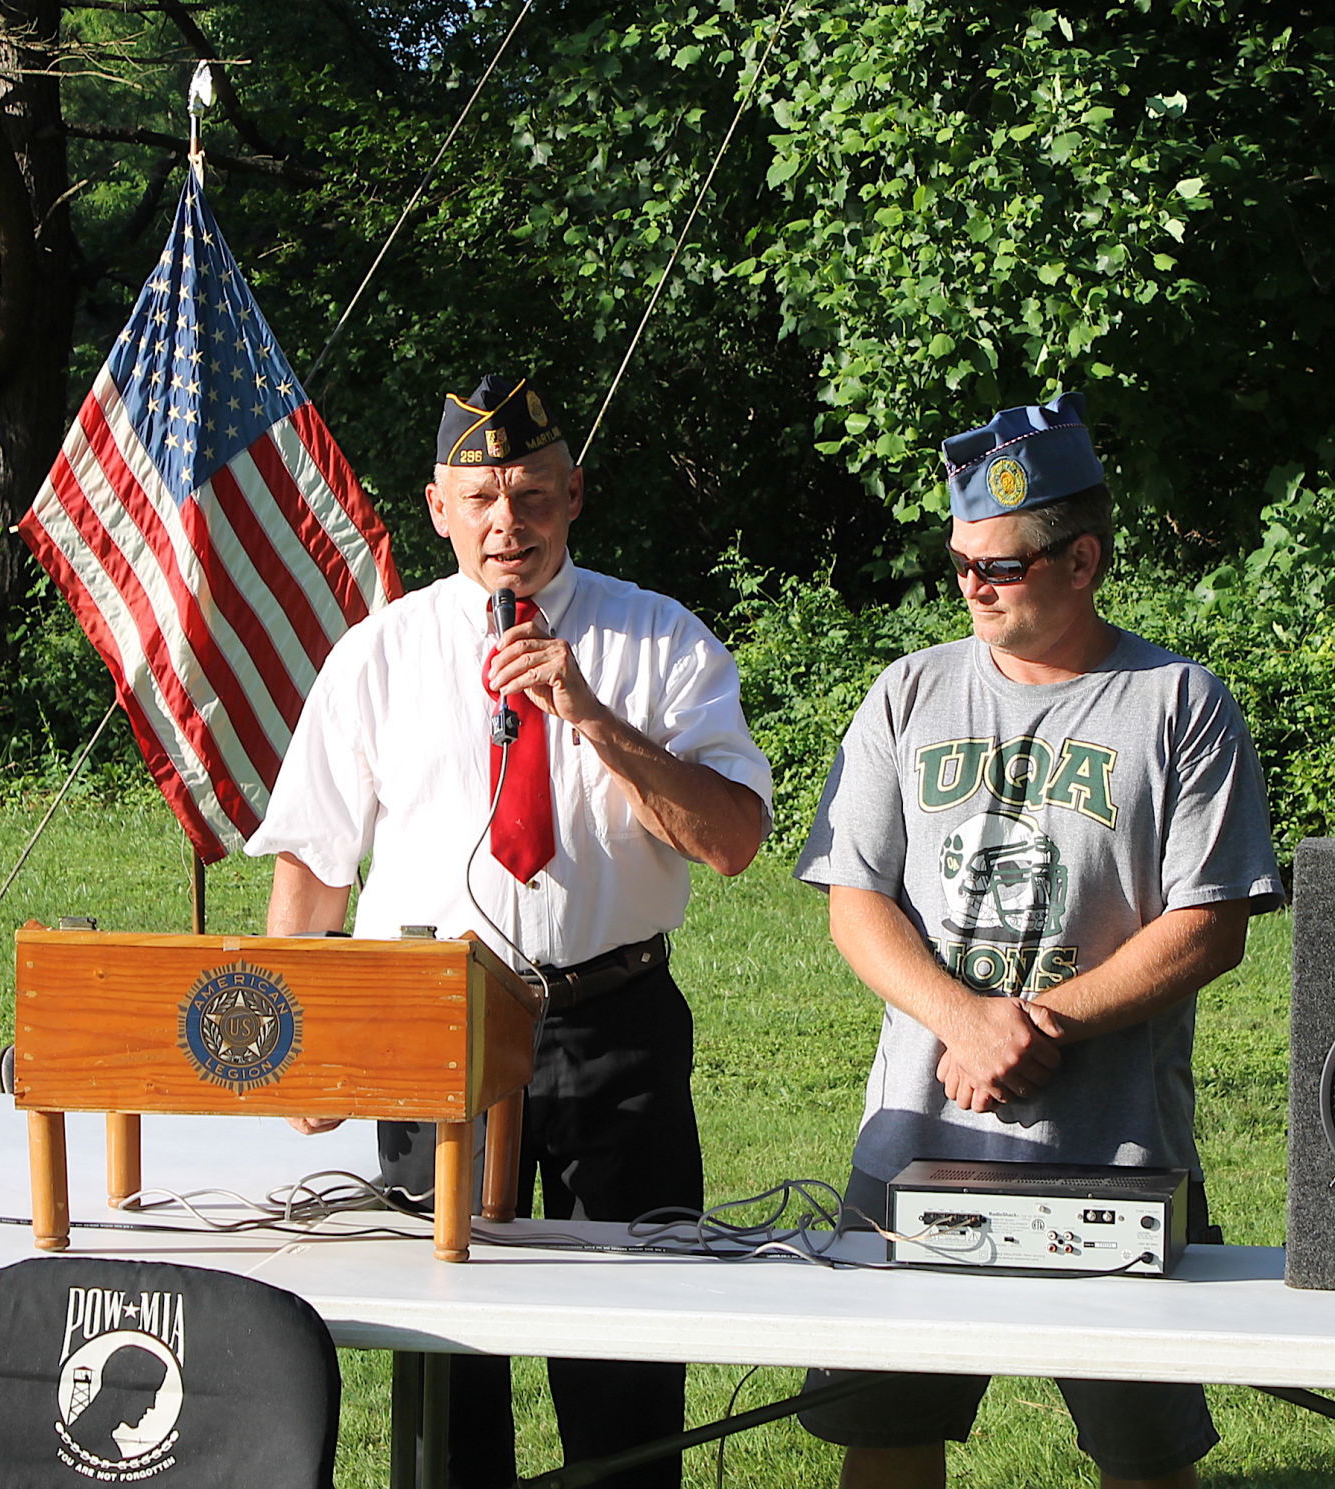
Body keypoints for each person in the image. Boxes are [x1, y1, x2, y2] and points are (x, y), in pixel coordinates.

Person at [245, 373, 772, 1489]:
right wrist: (302, 1046)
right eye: (480, 496)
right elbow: (313, 865)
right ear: (436, 507)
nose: (506, 522)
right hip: (428, 1035)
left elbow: (729, 841)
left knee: (623, 1363)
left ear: (574, 495)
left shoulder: (658, 642)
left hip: (609, 1028)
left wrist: (589, 715)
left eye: (532, 494)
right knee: (442, 1372)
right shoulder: (377, 655)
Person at [794, 392, 1283, 1489]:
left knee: (1140, 1453)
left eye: (999, 565)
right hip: (920, 1137)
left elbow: (1208, 926)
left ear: (1081, 561)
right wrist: (964, 1020)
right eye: (960, 560)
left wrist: (1037, 1023)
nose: (970, 584)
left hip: (1114, 1148)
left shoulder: (1178, 704)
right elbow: (853, 899)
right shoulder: (905, 694)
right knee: (888, 1432)